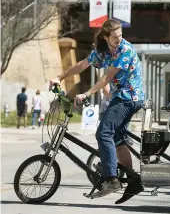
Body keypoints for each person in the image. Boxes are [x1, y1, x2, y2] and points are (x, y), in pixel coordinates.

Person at [49, 19, 145, 202]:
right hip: (122, 97)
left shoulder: (125, 50)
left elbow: (107, 78)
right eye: (115, 37)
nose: (119, 39)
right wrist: (59, 77)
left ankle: (111, 179)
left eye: (120, 35)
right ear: (106, 37)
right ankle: (133, 181)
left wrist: (87, 93)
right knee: (116, 137)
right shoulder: (103, 51)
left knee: (103, 133)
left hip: (130, 97)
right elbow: (83, 64)